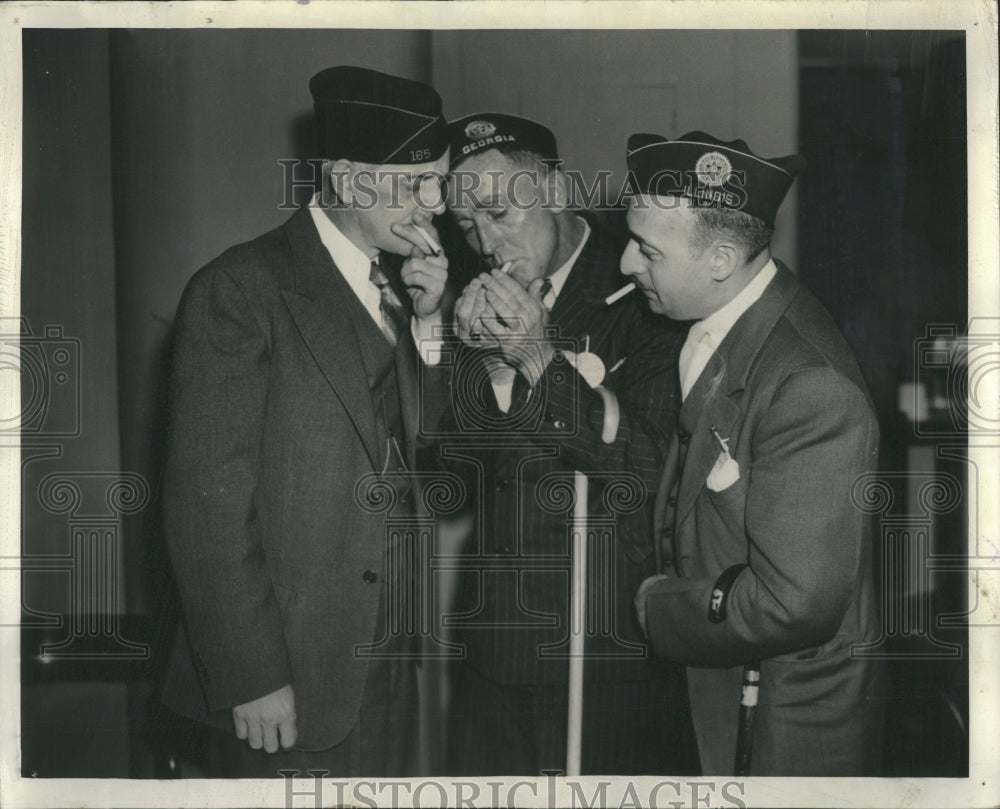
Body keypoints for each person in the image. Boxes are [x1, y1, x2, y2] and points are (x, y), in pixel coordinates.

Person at [159, 65, 452, 777]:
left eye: (441, 182)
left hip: (388, 666)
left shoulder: (402, 285)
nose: (436, 205)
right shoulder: (239, 290)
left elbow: (431, 454)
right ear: (350, 181)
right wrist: (250, 673)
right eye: (417, 182)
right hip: (282, 677)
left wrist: (429, 329)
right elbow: (208, 504)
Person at [436, 113, 694, 775]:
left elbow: (644, 473)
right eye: (466, 225)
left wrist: (534, 357)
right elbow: (459, 474)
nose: (486, 243)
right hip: (494, 646)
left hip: (604, 652)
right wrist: (455, 352)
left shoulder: (649, 286)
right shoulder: (473, 295)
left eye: (498, 211)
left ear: (553, 188)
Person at [626, 131, 888, 776]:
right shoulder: (726, 323)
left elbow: (793, 602)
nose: (627, 264)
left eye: (647, 250)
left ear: (719, 259)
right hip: (720, 682)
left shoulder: (809, 384)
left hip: (782, 718)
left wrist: (658, 607)